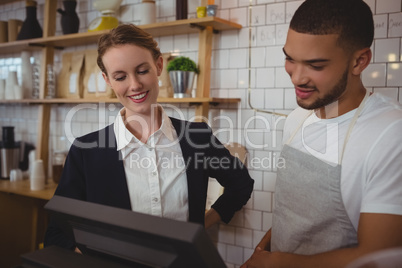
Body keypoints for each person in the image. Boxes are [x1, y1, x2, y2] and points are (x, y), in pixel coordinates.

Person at [44, 24, 254, 251]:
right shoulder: (85, 151)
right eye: (120, 76)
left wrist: (200, 228)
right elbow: (57, 233)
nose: (134, 85)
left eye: (142, 71)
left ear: (159, 65)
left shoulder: (196, 138)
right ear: (108, 80)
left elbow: (240, 184)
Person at [242, 0, 402, 267]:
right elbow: (296, 219)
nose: (296, 78)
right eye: (290, 59)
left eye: (315, 65)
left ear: (359, 61)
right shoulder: (296, 120)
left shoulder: (389, 135)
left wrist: (279, 264)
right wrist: (261, 252)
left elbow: (380, 257)